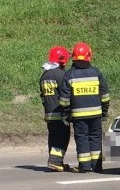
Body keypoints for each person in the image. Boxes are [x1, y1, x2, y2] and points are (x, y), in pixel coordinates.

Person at [58, 42, 110, 173]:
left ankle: (84, 166)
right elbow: (105, 95)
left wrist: (65, 113)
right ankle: (97, 166)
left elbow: (64, 99)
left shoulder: (69, 74)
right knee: (96, 138)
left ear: (74, 57)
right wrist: (104, 111)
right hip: (96, 114)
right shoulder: (96, 72)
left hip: (78, 116)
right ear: (89, 56)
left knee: (82, 138)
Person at [39, 45, 71, 171]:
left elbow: (43, 96)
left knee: (53, 137)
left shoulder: (44, 76)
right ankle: (55, 161)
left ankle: (56, 162)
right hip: (60, 112)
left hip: (49, 113)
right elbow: (66, 94)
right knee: (62, 137)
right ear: (62, 59)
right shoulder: (62, 75)